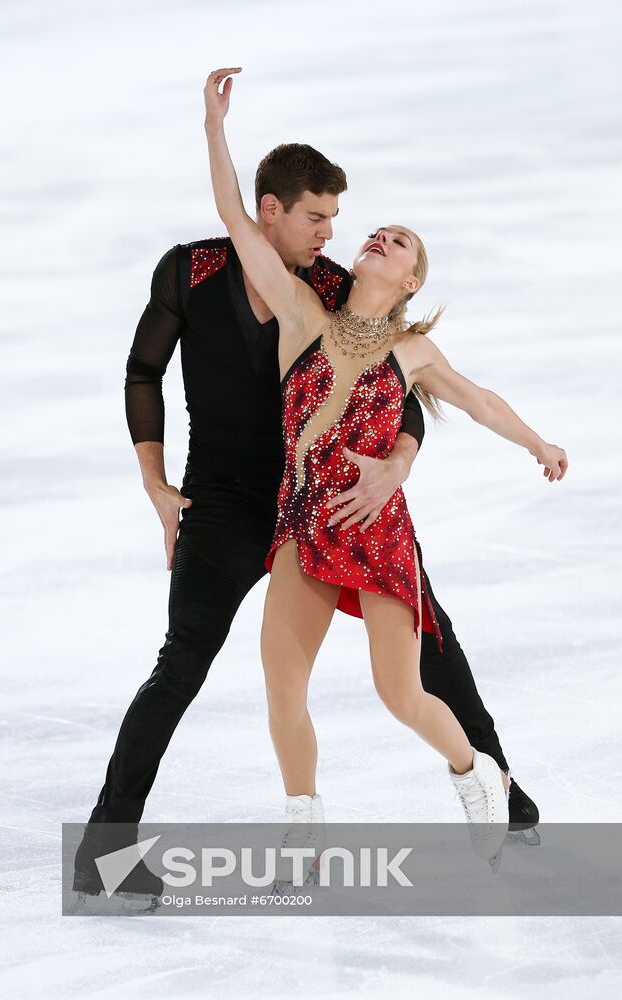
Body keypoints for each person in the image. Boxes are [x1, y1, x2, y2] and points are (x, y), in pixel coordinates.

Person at [71, 83, 548, 903]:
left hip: (348, 507)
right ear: (272, 211)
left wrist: (398, 464)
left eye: (342, 223)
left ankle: (496, 787)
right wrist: (155, 485)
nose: (333, 234)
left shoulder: (337, 292)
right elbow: (141, 369)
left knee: (431, 649)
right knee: (186, 662)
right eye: (317, 218)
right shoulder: (210, 273)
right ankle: (110, 847)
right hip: (231, 501)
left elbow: (412, 393)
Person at [203, 67, 568, 863]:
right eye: (379, 231)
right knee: (282, 687)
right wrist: (214, 123)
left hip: (374, 532)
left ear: (409, 280)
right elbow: (234, 216)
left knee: (400, 693)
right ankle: (302, 821)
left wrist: (538, 443)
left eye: (398, 243)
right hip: (302, 522)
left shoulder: (410, 350)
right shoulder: (303, 314)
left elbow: (479, 402)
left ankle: (479, 777)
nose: (378, 239)